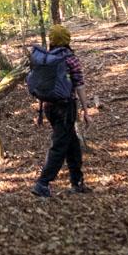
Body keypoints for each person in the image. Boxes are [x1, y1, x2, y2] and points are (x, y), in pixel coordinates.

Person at [31, 25, 92, 198]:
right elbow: (79, 85)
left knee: (71, 142)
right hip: (66, 107)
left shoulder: (46, 58)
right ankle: (42, 183)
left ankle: (77, 181)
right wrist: (86, 110)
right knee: (59, 145)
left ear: (51, 40)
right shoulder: (70, 59)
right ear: (67, 39)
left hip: (49, 107)